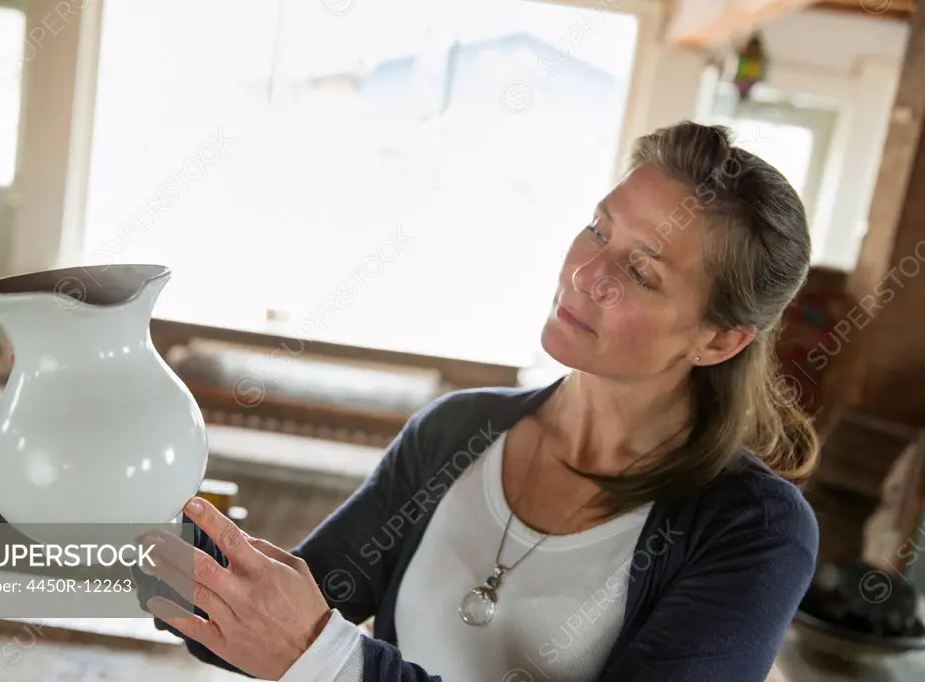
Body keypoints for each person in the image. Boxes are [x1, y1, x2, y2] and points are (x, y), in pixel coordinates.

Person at [137, 121, 820, 682]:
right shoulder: (456, 432)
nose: (586, 274)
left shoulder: (755, 530)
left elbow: (310, 646)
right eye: (597, 229)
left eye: (640, 271)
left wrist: (330, 659)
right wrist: (112, 524)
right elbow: (258, 621)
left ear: (722, 340)